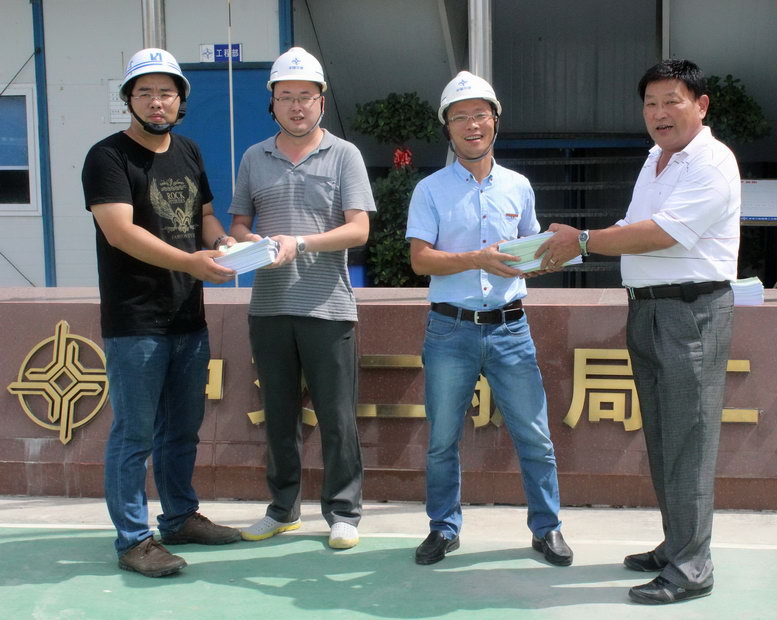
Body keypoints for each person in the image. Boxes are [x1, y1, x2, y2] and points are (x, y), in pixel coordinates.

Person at [535, 59, 740, 604]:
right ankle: (678, 545)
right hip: (648, 309)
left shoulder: (713, 162)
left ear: (701, 105)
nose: (659, 113)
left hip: (691, 313)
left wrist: (581, 241)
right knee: (664, 436)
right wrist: (564, 250)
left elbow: (663, 234)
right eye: (650, 103)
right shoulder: (655, 159)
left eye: (672, 101)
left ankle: (692, 567)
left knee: (689, 440)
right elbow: (630, 228)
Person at [81, 48, 241, 578]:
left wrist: (223, 244)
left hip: (187, 317)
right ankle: (133, 540)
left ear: (180, 101)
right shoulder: (107, 157)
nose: (156, 102)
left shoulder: (189, 150)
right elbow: (120, 232)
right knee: (134, 435)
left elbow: (205, 216)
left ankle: (179, 518)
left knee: (183, 430)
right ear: (129, 99)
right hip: (135, 322)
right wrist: (192, 262)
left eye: (166, 93)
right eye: (145, 92)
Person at [405, 71, 572, 567]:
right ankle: (443, 528)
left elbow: (529, 250)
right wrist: (477, 258)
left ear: (496, 121)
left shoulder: (519, 187)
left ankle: (547, 529)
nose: (471, 125)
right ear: (448, 128)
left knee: (535, 436)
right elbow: (420, 260)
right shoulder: (430, 190)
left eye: (480, 114)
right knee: (442, 439)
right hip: (450, 329)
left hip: (510, 328)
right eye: (460, 117)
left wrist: (544, 257)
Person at [230, 46, 374, 550]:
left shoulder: (345, 155)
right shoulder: (254, 157)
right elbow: (239, 223)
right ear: (272, 102)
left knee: (337, 417)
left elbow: (359, 229)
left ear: (321, 101)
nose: (296, 106)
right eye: (286, 96)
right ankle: (282, 509)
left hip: (327, 307)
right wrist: (248, 242)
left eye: (305, 96)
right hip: (269, 307)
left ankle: (344, 511)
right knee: (278, 415)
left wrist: (301, 243)